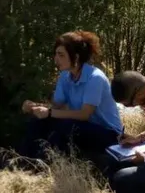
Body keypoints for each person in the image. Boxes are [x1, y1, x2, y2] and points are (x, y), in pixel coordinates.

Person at [10, 31, 122, 168]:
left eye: (61, 55)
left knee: (66, 126)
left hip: (108, 134)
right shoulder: (65, 76)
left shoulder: (95, 78)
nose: (56, 59)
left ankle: (47, 166)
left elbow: (84, 114)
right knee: (39, 121)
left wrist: (49, 112)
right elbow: (56, 106)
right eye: (56, 54)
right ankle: (24, 163)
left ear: (76, 56)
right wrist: (35, 106)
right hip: (82, 127)